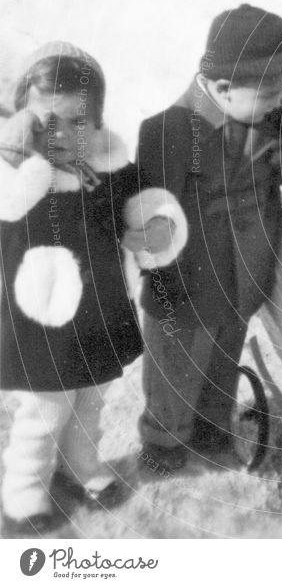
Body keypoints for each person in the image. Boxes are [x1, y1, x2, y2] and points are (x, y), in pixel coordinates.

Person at [0, 42, 185, 538]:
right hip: (40, 319)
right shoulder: (13, 176)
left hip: (100, 310)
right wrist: (13, 153)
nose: (60, 136)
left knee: (91, 399)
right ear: (22, 118)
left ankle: (80, 461)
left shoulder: (111, 171)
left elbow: (147, 206)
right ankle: (24, 483)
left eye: (77, 124)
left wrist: (158, 229)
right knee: (46, 408)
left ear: (98, 123)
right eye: (45, 122)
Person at [136, 4, 282, 471]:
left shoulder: (267, 106)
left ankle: (211, 431)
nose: (279, 103)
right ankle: (163, 441)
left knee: (222, 360)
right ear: (223, 89)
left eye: (280, 91)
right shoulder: (170, 130)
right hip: (186, 284)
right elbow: (151, 212)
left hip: (244, 275)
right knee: (175, 368)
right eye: (269, 94)